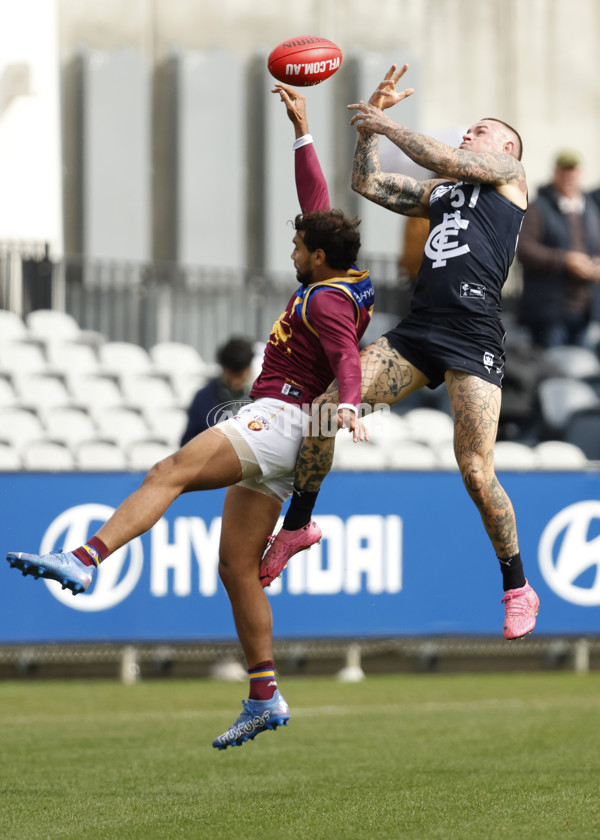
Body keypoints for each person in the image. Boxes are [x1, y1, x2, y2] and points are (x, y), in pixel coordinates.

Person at [5, 83, 374, 748]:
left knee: (169, 468)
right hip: (284, 439)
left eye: (298, 247)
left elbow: (349, 356)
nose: (291, 252)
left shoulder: (324, 302)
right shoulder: (336, 279)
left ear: (318, 256)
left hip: (281, 423)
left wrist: (349, 401)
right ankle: (265, 693)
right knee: (236, 565)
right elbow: (315, 199)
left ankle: (87, 558)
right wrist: (302, 130)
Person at [260, 63, 540, 641]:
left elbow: (449, 160)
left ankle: (517, 586)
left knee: (476, 470)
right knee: (322, 412)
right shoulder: (445, 194)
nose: (470, 133)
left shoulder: (508, 174)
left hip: (473, 332)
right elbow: (370, 186)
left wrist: (386, 124)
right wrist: (367, 128)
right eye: (470, 128)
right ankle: (298, 527)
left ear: (507, 146)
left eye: (480, 129)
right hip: (419, 330)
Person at [516, 150, 600, 349]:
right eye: (564, 172)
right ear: (555, 174)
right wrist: (564, 260)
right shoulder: (538, 208)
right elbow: (524, 249)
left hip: (585, 311)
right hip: (550, 311)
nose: (568, 177)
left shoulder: (589, 208)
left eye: (573, 172)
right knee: (553, 368)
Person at [180, 335, 255, 445]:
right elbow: (186, 443)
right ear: (223, 369)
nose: (235, 382)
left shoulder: (261, 399)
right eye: (231, 376)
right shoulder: (203, 398)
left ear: (249, 370)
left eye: (240, 377)